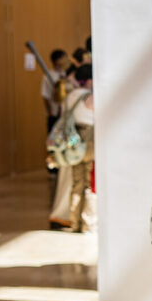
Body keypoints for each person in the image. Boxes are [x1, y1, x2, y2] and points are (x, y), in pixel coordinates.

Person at [65, 64, 96, 234]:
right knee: (89, 183)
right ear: (90, 80)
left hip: (73, 139)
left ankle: (74, 221)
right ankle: (88, 223)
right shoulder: (91, 97)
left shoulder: (71, 96)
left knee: (76, 183)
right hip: (89, 139)